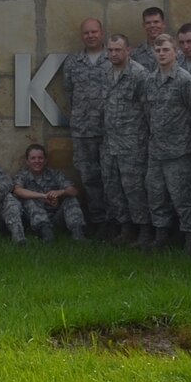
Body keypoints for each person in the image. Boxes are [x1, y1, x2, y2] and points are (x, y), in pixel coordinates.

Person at [141, 34, 191, 253]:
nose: (161, 54)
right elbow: (147, 113)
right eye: (157, 50)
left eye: (165, 50)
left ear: (175, 52)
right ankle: (161, 235)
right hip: (156, 150)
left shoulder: (185, 81)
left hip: (180, 151)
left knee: (184, 196)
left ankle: (190, 240)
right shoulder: (150, 81)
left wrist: (188, 141)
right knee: (156, 195)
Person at [60, 18, 112, 233]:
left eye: (94, 32)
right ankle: (98, 221)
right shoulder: (73, 62)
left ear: (101, 33)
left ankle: (116, 223)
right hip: (83, 131)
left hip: (109, 130)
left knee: (111, 177)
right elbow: (69, 93)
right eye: (86, 33)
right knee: (89, 178)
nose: (90, 36)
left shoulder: (113, 58)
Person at [98, 34, 150, 245]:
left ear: (128, 50)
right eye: (110, 50)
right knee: (113, 188)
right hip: (110, 143)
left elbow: (148, 109)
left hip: (132, 144)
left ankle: (144, 231)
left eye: (117, 50)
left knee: (135, 188)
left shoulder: (139, 75)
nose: (113, 54)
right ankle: (125, 228)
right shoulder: (105, 72)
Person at [12, 143, 87, 241]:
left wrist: (61, 192)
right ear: (27, 161)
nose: (37, 161)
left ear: (45, 160)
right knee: (29, 200)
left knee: (71, 199)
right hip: (34, 221)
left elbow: (74, 191)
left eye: (40, 158)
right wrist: (43, 196)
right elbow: (17, 190)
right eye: (33, 158)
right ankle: (46, 234)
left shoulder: (55, 174)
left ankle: (78, 233)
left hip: (55, 217)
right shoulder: (22, 175)